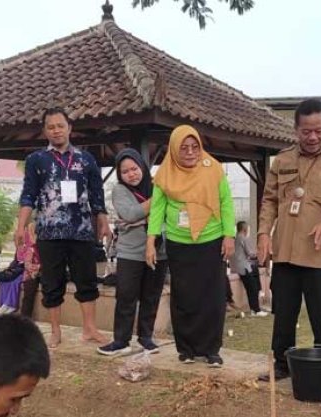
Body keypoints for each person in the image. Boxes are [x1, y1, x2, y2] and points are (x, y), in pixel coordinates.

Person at [257, 98, 321, 380]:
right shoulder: (282, 160)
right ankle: (281, 364)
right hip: (286, 252)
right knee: (284, 314)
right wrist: (264, 233)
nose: (313, 137)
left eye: (319, 130)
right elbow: (268, 200)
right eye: (306, 131)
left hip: (320, 254)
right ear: (296, 130)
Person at [16, 106, 110, 348]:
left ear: (70, 128)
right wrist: (20, 226)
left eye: (60, 125)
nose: (56, 130)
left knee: (87, 280)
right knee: (52, 282)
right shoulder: (36, 160)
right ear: (45, 131)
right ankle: (55, 331)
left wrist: (103, 220)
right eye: (51, 127)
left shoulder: (86, 159)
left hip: (81, 232)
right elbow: (28, 195)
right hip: (48, 232)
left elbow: (97, 196)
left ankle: (89, 329)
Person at [146, 125, 236, 367]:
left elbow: (226, 203)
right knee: (184, 296)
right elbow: (157, 210)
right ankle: (186, 348)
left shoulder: (213, 169)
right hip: (178, 242)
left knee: (212, 296)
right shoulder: (165, 173)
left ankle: (211, 350)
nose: (190, 152)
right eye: (183, 147)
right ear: (174, 149)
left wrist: (229, 235)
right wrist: (150, 242)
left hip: (211, 240)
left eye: (194, 146)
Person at [98, 149, 168, 357]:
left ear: (142, 168)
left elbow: (166, 214)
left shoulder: (155, 185)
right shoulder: (120, 190)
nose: (131, 174)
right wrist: (157, 201)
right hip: (130, 253)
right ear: (120, 175)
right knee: (126, 296)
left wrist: (140, 217)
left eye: (134, 169)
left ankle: (145, 337)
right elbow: (130, 213)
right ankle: (121, 341)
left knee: (151, 296)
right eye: (125, 171)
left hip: (159, 251)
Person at [232, 221, 268, 316]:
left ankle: (254, 308)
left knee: (251, 286)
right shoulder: (243, 238)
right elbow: (250, 253)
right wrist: (258, 253)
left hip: (239, 266)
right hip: (243, 267)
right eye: (247, 228)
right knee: (252, 288)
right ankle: (256, 310)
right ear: (244, 229)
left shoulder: (236, 238)